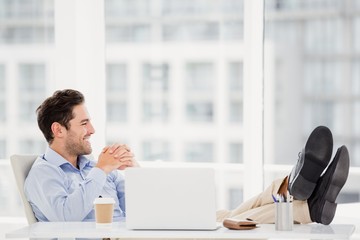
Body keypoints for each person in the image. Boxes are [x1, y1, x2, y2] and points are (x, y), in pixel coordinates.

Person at [25, 89, 350, 225]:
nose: (93, 130)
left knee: (227, 215)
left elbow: (141, 204)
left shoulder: (93, 167)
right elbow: (65, 217)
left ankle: (297, 190)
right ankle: (305, 200)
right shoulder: (43, 174)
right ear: (58, 129)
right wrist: (101, 169)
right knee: (228, 224)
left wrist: (133, 171)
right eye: (84, 123)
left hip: (145, 226)